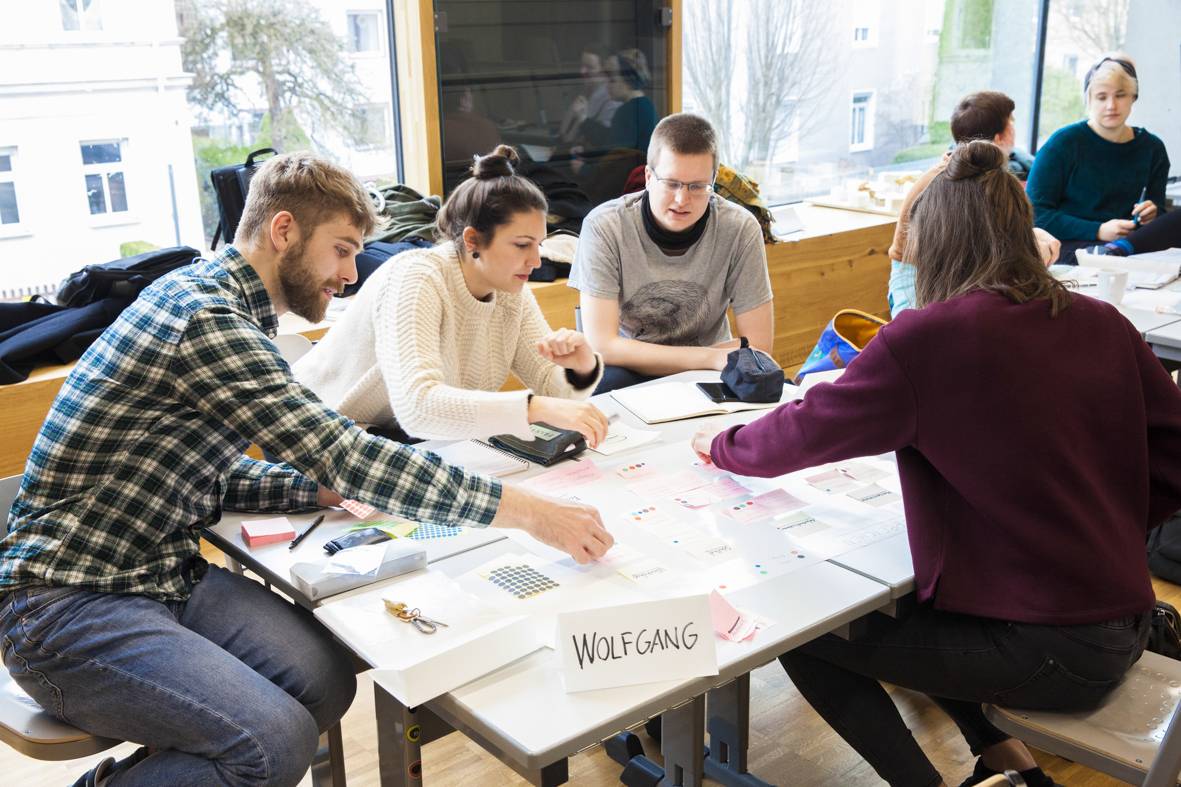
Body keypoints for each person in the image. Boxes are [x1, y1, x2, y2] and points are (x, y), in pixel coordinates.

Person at [0, 152, 612, 787]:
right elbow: (348, 452)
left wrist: (309, 487)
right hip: (64, 605)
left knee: (323, 679)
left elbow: (205, 474)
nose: (350, 276)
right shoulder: (207, 319)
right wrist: (531, 514)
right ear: (283, 230)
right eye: (343, 251)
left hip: (160, 572)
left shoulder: (227, 306)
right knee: (273, 743)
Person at [692, 141, 1181, 787]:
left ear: (940, 240)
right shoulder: (1100, 322)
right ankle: (1008, 759)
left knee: (802, 634)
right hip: (1125, 615)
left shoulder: (929, 338)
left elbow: (802, 432)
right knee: (914, 614)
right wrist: (1096, 521)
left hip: (1050, 649)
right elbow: (1172, 463)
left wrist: (721, 445)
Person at [295, 145, 610, 447]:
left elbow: (553, 390)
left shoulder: (509, 291)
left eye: (538, 244)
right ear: (472, 240)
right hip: (317, 430)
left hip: (390, 434)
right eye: (521, 245)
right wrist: (535, 409)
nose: (537, 260)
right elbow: (418, 406)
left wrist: (581, 367)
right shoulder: (416, 277)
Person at [570, 112, 774, 393]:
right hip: (630, 366)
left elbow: (760, 344)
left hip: (713, 368)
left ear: (713, 182)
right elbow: (602, 345)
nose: (682, 199)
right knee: (602, 390)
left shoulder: (739, 227)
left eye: (697, 187)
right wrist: (710, 356)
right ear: (648, 177)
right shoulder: (604, 226)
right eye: (672, 183)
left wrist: (715, 360)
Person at [888, 90, 1060, 316]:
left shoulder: (979, 176)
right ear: (1001, 137)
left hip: (955, 276)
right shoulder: (949, 182)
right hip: (920, 279)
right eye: (1012, 122)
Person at [1027, 54, 1178, 265]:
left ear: (1133, 97)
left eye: (1120, 95)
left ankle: (1116, 252)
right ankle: (1112, 253)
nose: (1111, 105)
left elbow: (1159, 215)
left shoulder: (1152, 148)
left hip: (1131, 244)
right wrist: (1098, 230)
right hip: (1072, 246)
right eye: (1101, 97)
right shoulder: (1063, 143)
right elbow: (1035, 214)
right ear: (1088, 99)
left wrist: (1151, 214)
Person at [558, 43, 621, 144]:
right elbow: (563, 134)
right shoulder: (584, 92)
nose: (582, 71)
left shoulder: (612, 100)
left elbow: (599, 140)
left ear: (604, 71)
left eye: (589, 67)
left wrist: (580, 118)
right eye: (582, 65)